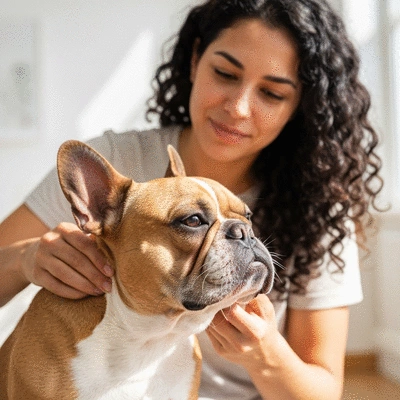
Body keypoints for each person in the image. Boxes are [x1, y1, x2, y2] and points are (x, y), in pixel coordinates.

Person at [0, 0, 383, 399]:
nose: (238, 108)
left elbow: (323, 391)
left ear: (301, 106)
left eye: (271, 93)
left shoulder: (320, 202)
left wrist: (263, 352)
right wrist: (23, 259)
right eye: (225, 73)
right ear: (195, 59)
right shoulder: (117, 165)